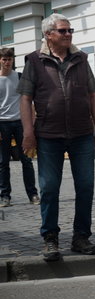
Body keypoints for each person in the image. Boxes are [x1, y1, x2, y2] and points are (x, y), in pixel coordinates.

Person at [18, 13, 95, 262]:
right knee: (48, 188)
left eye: (70, 31)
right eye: (63, 31)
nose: (68, 35)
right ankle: (50, 239)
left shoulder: (80, 59)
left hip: (81, 134)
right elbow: (25, 99)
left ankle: (81, 237)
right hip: (48, 135)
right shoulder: (34, 61)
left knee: (86, 187)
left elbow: (92, 97)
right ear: (49, 35)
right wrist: (27, 133)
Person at [0, 47, 40, 207]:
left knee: (26, 160)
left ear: (13, 60)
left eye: (9, 59)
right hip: (2, 123)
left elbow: (28, 101)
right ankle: (5, 196)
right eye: (4, 59)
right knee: (3, 162)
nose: (7, 62)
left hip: (20, 123)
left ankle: (33, 194)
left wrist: (32, 122)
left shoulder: (19, 77)